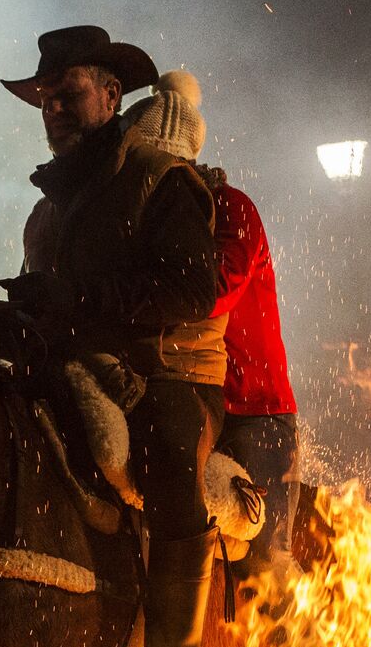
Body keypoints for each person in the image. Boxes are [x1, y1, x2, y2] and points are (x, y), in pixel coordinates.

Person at [0, 26, 224, 647]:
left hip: (162, 378)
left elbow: (195, 290)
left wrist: (78, 301)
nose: (53, 107)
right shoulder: (46, 211)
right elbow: (53, 307)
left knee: (164, 451)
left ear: (111, 94)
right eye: (44, 98)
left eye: (68, 93)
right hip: (71, 364)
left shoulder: (160, 179)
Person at [125, 72, 299, 585]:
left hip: (253, 411)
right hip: (184, 391)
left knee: (262, 571)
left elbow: (207, 295)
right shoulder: (146, 214)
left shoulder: (232, 210)